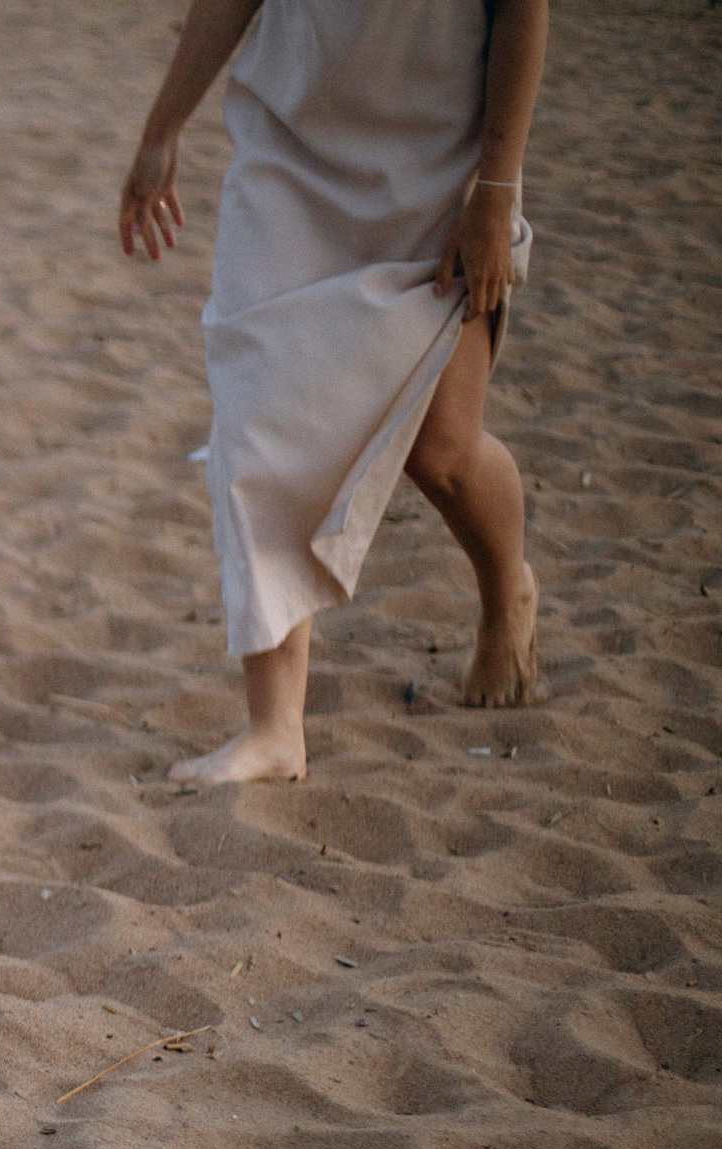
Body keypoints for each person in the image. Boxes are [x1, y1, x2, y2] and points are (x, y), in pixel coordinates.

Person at [120, 0, 549, 784]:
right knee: (257, 412)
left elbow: (523, 11)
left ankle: (506, 589)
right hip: (290, 149)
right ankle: (275, 729)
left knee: (441, 450)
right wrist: (160, 130)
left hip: (442, 171)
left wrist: (496, 189)